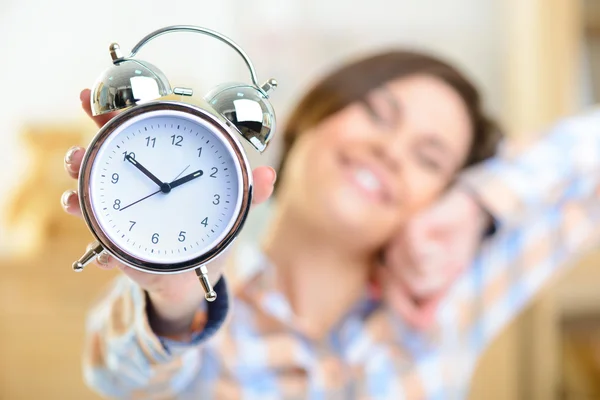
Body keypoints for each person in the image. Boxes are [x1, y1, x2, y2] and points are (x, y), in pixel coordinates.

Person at [61, 50, 600, 399]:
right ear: (311, 116)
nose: (389, 150)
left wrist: (475, 206)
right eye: (377, 114)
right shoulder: (197, 318)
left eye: (430, 159)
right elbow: (118, 374)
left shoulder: (450, 304)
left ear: (436, 199)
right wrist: (175, 309)